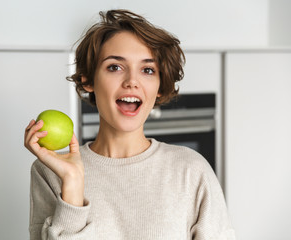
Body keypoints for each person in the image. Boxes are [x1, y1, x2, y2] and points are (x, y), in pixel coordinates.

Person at [24, 9, 236, 240]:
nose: (132, 82)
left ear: (160, 86)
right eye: (115, 67)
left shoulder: (191, 170)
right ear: (87, 79)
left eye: (147, 70)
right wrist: (73, 186)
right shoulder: (52, 171)